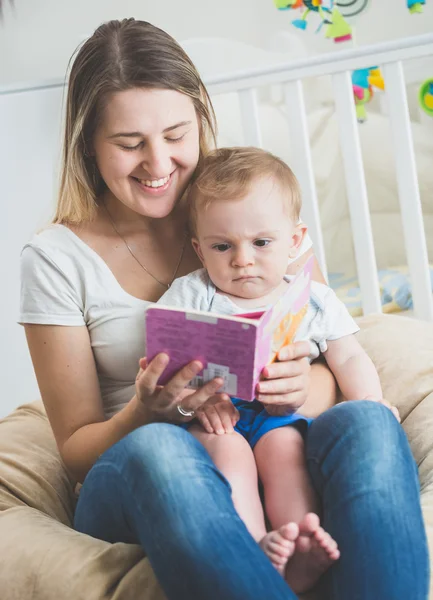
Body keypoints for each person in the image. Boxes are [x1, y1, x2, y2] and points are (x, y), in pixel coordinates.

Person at [19, 18, 429, 600]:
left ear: (200, 124)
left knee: (367, 420)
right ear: (89, 143)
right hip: (141, 472)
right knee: (163, 447)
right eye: (130, 143)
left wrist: (303, 384)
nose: (157, 162)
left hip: (266, 442)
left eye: (175, 135)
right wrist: (146, 410)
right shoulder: (55, 259)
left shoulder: (243, 216)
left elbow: (322, 340)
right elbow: (76, 450)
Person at [156, 145, 402, 592]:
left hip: (279, 415)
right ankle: (256, 551)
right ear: (199, 248)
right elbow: (166, 356)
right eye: (222, 246)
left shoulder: (311, 297)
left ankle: (300, 539)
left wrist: (371, 399)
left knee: (285, 453)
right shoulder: (191, 294)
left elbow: (347, 356)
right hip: (218, 419)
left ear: (295, 240)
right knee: (229, 459)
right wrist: (196, 399)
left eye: (261, 243)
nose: (242, 259)